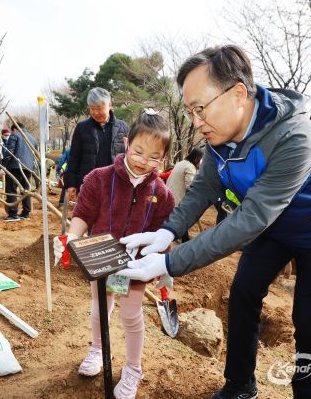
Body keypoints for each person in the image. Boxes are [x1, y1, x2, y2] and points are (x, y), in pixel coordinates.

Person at [118, 45, 311, 399]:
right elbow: (203, 187)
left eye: (200, 109)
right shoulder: (220, 138)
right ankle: (240, 386)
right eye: (190, 112)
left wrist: (170, 262)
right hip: (274, 227)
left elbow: (252, 218)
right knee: (244, 293)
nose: (196, 122)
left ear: (238, 94)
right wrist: (167, 232)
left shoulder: (296, 136)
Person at [53, 110, 175, 399]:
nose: (144, 161)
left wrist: (163, 268)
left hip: (136, 268)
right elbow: (83, 214)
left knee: (131, 315)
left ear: (164, 158)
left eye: (154, 157)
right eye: (138, 151)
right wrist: (72, 237)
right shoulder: (100, 178)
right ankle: (98, 349)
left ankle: (133, 368)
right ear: (126, 142)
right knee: (100, 307)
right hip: (100, 261)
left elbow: (164, 234)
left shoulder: (162, 194)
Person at [63, 87, 129, 202]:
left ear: (110, 105)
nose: (95, 112)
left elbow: (129, 157)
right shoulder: (82, 128)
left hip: (115, 184)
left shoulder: (123, 127)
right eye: (92, 108)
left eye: (99, 108)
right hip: (88, 183)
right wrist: (71, 183)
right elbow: (74, 157)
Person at [166, 147, 204, 242]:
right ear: (197, 158)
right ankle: (185, 240)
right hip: (176, 198)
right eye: (201, 160)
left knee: (181, 218)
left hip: (169, 194)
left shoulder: (181, 163)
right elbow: (191, 187)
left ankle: (184, 238)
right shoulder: (190, 167)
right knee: (184, 217)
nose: (201, 163)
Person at [3, 123, 38, 221]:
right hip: (28, 168)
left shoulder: (15, 135)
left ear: (14, 128)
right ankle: (26, 212)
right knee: (25, 190)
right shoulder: (33, 139)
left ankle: (13, 213)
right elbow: (35, 156)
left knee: (11, 189)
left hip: (14, 166)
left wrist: (4, 164)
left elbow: (10, 151)